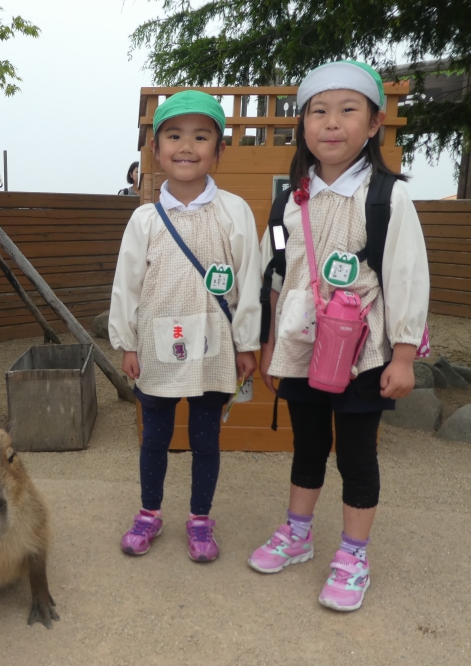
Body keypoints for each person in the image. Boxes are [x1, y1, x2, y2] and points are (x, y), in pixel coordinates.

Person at [249, 61, 429, 611]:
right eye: (318, 111)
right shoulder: (288, 203)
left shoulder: (386, 199)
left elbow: (407, 276)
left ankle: (353, 556)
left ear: (373, 124)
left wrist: (403, 356)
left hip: (362, 353)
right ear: (303, 125)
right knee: (307, 444)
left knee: (355, 454)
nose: (331, 123)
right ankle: (298, 533)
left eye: (348, 110)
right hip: (302, 347)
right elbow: (276, 270)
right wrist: (269, 344)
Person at [109, 91, 262, 562]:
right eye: (174, 136)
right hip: (157, 348)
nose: (187, 147)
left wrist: (247, 343)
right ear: (156, 150)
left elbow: (250, 282)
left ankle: (200, 519)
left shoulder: (234, 211)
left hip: (215, 348)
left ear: (219, 149)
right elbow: (127, 286)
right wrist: (127, 342)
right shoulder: (144, 219)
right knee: (154, 437)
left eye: (201, 136)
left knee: (205, 439)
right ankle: (149, 513)